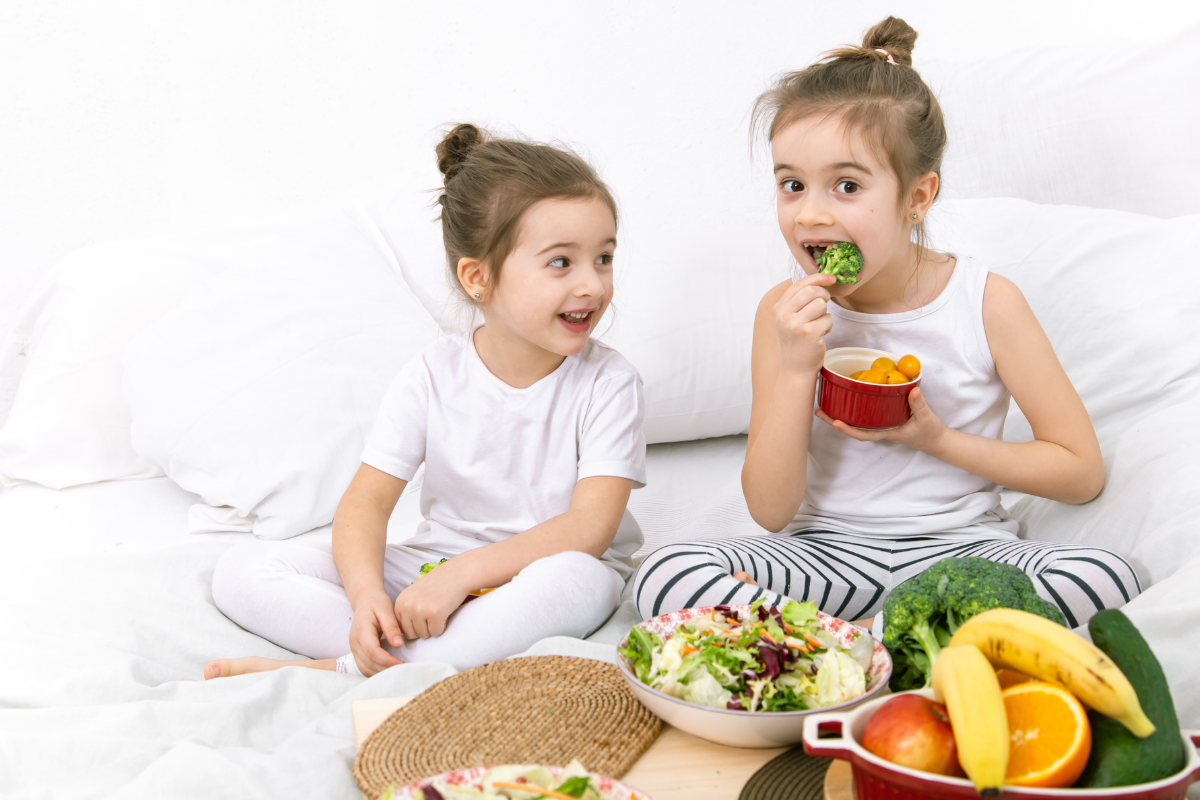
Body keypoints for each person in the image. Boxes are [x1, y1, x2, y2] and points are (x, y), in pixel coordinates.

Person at [633, 17, 1138, 631]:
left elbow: (1079, 473)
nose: (811, 213)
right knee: (665, 572)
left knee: (1108, 577)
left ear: (916, 198)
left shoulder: (986, 303)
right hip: (825, 555)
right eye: (792, 185)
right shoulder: (782, 313)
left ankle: (833, 646)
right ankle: (901, 640)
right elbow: (769, 510)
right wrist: (797, 368)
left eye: (847, 185)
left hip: (964, 549)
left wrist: (936, 441)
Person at [204, 124, 645, 678]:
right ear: (478, 277)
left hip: (542, 573)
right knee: (242, 571)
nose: (593, 285)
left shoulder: (609, 384)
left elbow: (589, 527)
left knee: (577, 580)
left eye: (603, 258)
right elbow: (365, 505)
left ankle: (339, 668)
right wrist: (368, 598)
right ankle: (384, 641)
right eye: (562, 262)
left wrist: (461, 578)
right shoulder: (432, 375)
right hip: (432, 571)